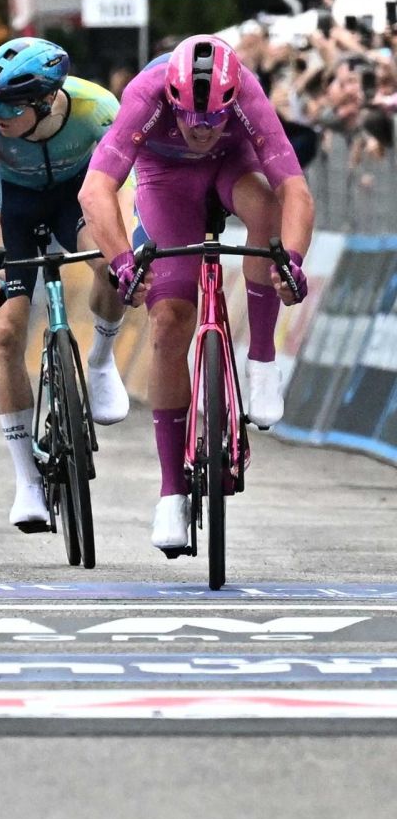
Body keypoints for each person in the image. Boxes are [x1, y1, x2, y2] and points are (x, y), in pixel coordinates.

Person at [78, 35, 312, 554]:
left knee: (268, 212)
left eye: (212, 119)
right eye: (188, 118)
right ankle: (170, 493)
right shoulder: (146, 92)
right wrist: (121, 264)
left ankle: (263, 362)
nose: (199, 130)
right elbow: (95, 191)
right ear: (172, 99)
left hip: (235, 165)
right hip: (166, 180)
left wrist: (291, 261)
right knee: (168, 320)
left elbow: (296, 189)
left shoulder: (247, 91)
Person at [0, 37, 129, 533]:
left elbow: (119, 196)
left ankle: (100, 362)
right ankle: (27, 481)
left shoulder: (99, 109)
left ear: (45, 101)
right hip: (10, 210)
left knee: (112, 264)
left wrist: (126, 252)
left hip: (74, 198)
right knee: (6, 333)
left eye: (9, 107)